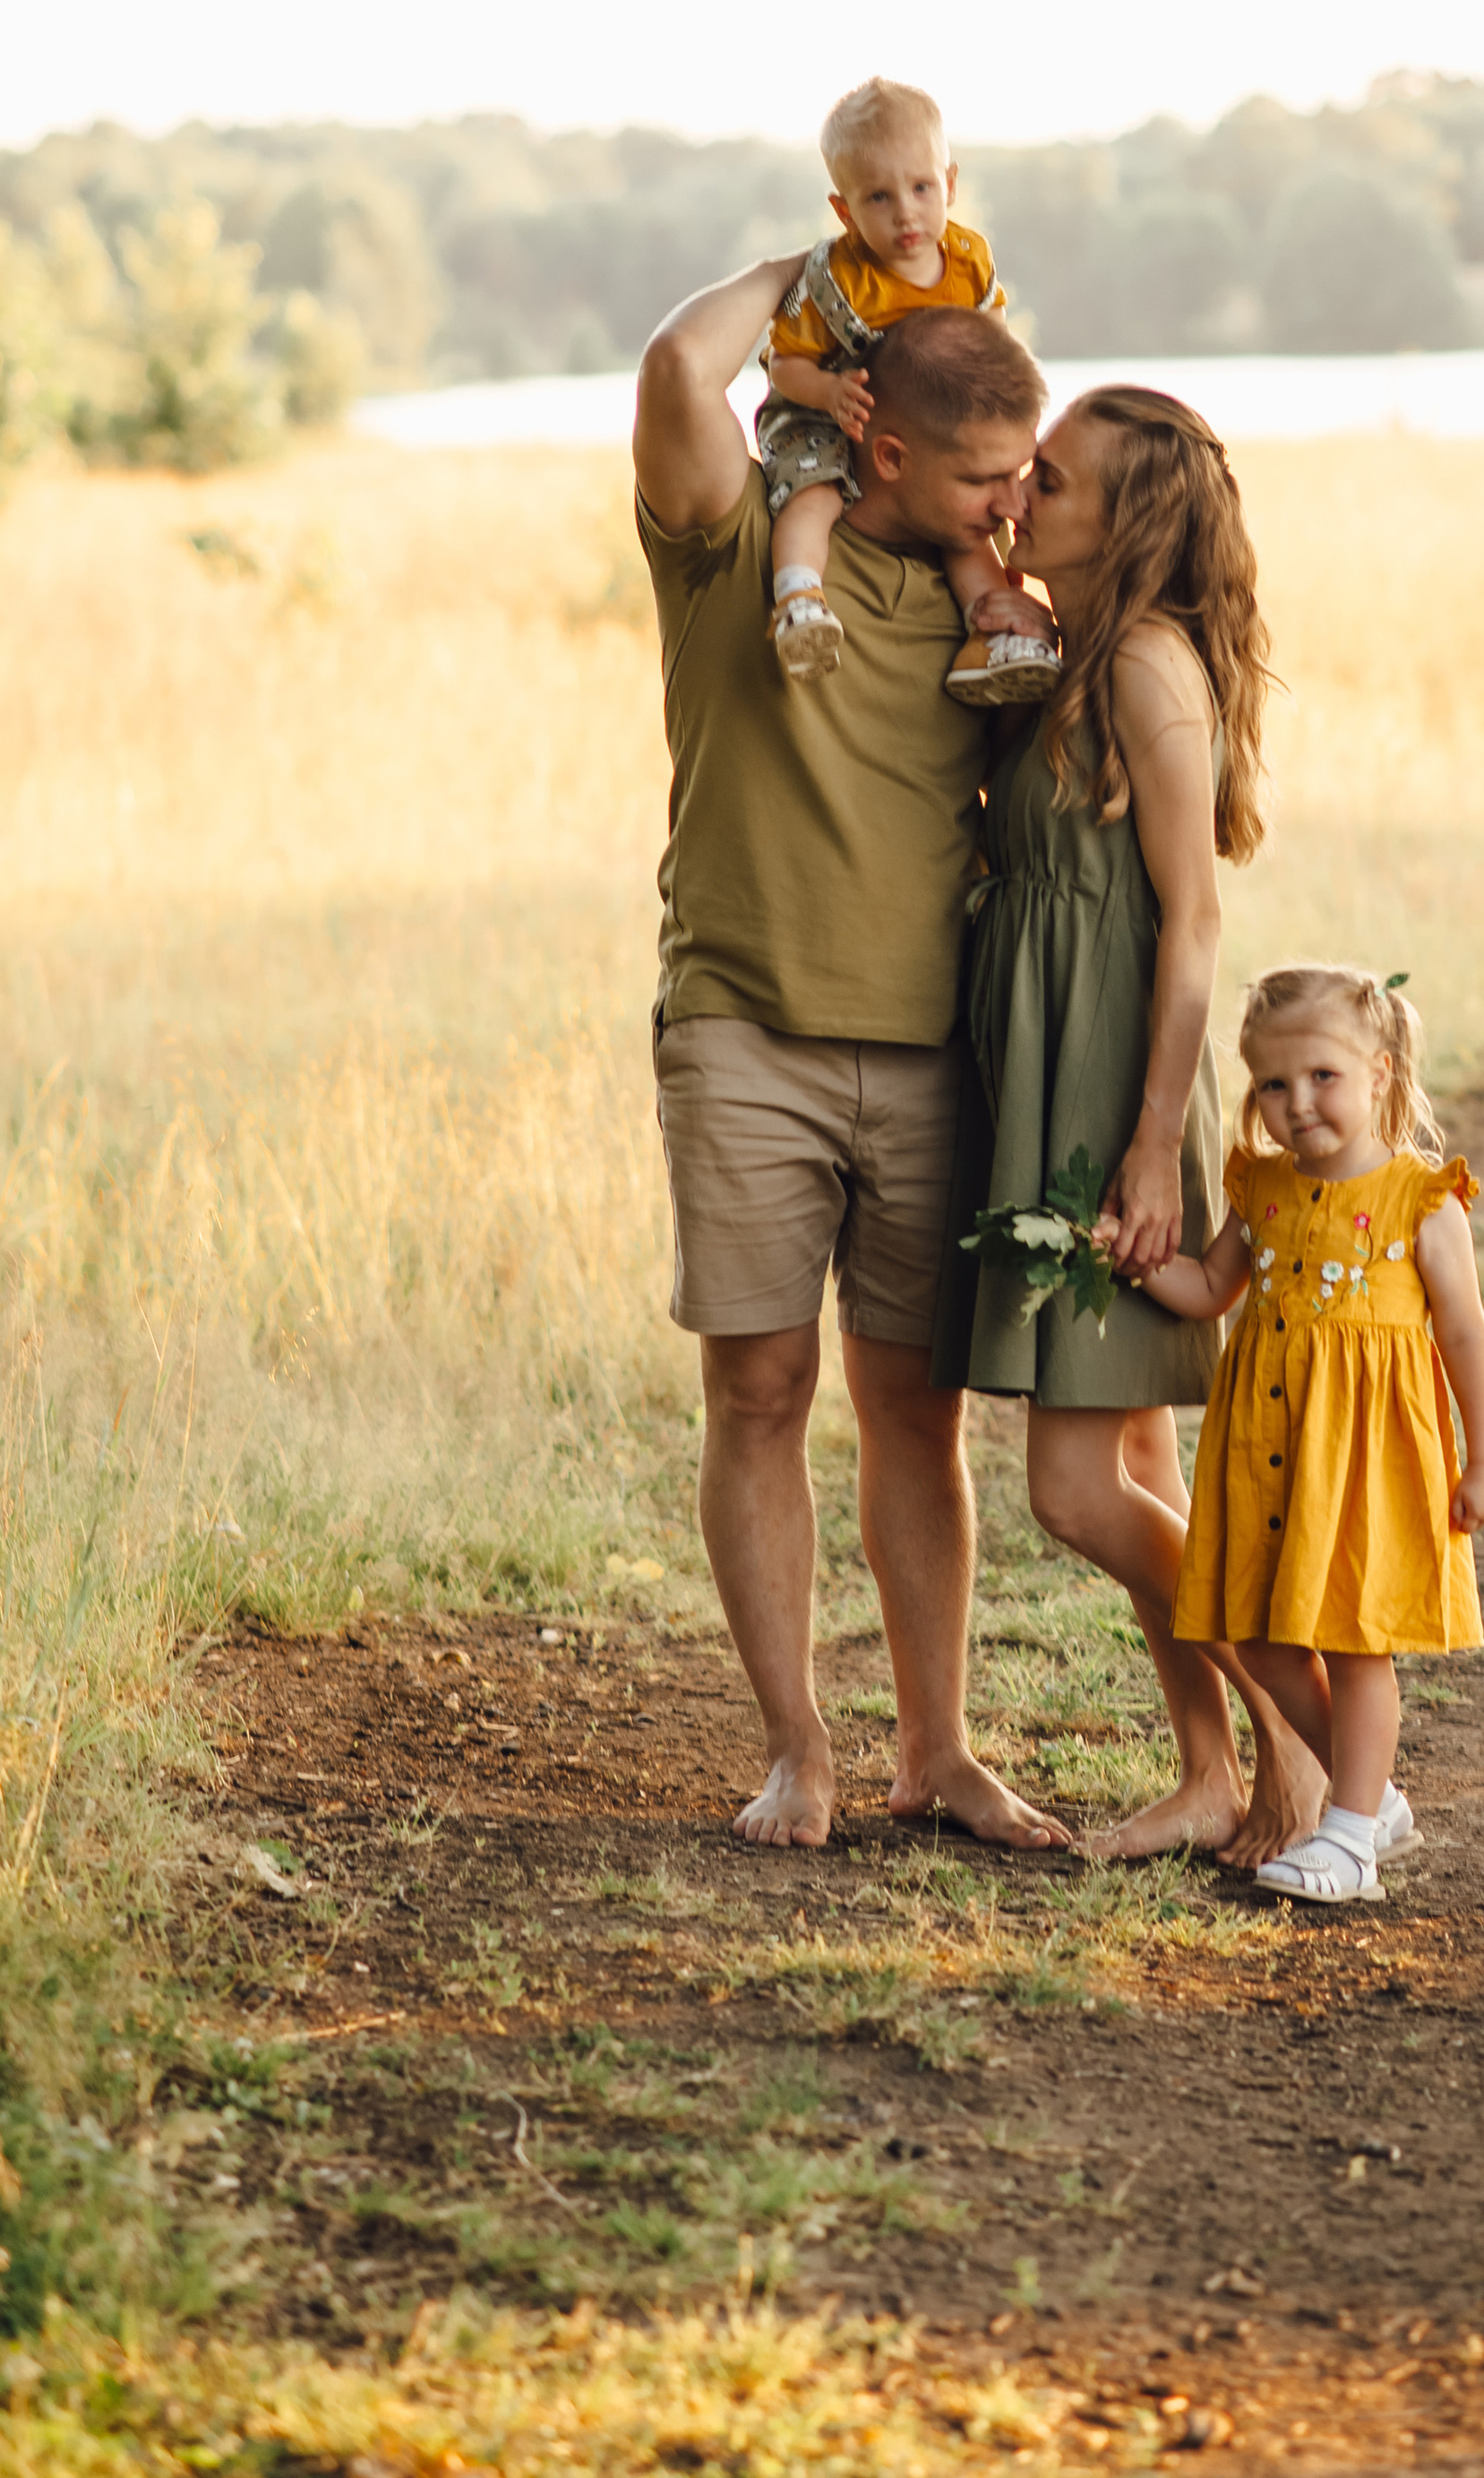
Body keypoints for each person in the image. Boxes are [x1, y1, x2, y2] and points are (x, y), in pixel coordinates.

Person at [633, 254, 1070, 1855]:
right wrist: (827, 281)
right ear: (883, 448)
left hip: (933, 1049)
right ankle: (797, 1747)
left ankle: (938, 1749)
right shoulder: (742, 544)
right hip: (745, 1028)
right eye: (984, 472)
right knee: (758, 1387)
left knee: (917, 1411)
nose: (1014, 497)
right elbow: (682, 371)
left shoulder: (996, 607)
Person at [932, 386, 1327, 1865]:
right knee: (1147, 1461)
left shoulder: (1150, 668)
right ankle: (1219, 1776)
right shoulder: (1063, 649)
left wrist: (1154, 1144)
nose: (1023, 487)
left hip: (1111, 1092)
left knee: (1077, 1486)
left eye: (1057, 475)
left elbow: (1194, 922)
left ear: (1133, 517)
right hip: (1047, 1072)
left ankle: (1327, 1743)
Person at [1144, 964, 1484, 1904]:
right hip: (1267, 1452)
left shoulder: (1420, 1200)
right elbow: (1207, 1290)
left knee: (1355, 1642)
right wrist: (1134, 1258)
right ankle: (1370, 1792)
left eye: (1321, 1078)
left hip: (1364, 1462)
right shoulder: (1261, 1189)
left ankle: (1348, 1840)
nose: (1294, 1104)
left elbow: (1466, 1335)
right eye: (1271, 1085)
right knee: (1259, 1637)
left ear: (1379, 1073)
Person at [759, 75, 1059, 706]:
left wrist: (998, 383)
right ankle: (798, 597)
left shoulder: (967, 257)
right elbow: (784, 363)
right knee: (812, 496)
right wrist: (829, 391)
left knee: (969, 529)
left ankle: (993, 631)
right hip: (830, 413)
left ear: (950, 184)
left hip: (932, 427)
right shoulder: (839, 279)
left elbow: (990, 322)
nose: (906, 213)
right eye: (878, 197)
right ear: (844, 211)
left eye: (921, 188)